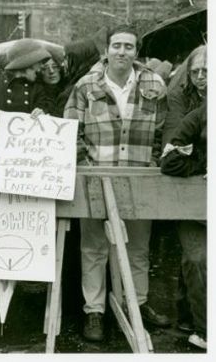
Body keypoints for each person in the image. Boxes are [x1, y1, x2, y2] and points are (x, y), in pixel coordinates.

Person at [63, 25, 171, 342]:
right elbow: (71, 131)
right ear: (106, 50)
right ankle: (94, 311)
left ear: (136, 52)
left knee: (137, 247)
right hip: (96, 177)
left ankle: (136, 303)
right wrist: (87, 166)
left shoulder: (154, 83)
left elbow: (164, 130)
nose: (121, 52)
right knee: (94, 247)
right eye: (116, 45)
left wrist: (153, 163)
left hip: (140, 178)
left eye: (128, 46)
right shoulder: (85, 85)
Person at [160, 45, 207, 349]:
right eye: (196, 72)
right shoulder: (186, 103)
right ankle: (203, 328)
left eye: (208, 72)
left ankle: (192, 317)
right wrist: (204, 162)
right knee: (197, 258)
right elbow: (171, 153)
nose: (202, 77)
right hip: (190, 191)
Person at [0, 38, 52, 135]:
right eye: (38, 62)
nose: (40, 68)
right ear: (27, 63)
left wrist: (42, 114)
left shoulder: (37, 88)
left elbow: (44, 111)